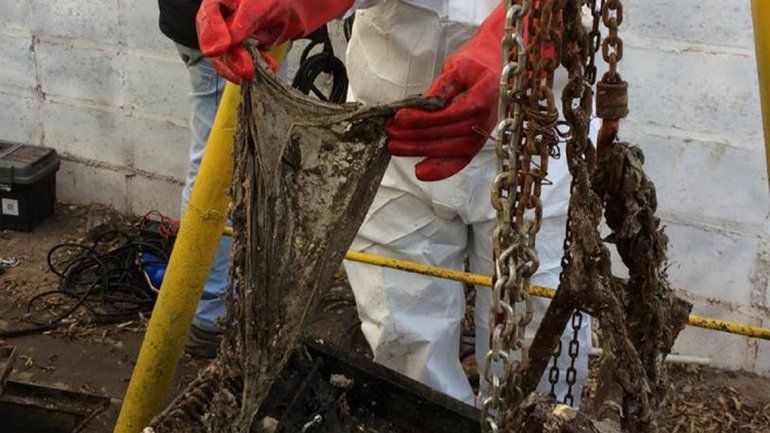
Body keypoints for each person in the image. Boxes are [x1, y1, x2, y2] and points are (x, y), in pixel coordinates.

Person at [195, 0, 593, 407]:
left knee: (539, 333)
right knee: (404, 336)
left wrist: (523, 41)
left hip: (538, 139)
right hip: (393, 132)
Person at [158, 0, 231, 358]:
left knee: (216, 167)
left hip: (199, 21)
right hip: (222, 29)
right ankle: (208, 316)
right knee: (219, 174)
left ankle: (211, 306)